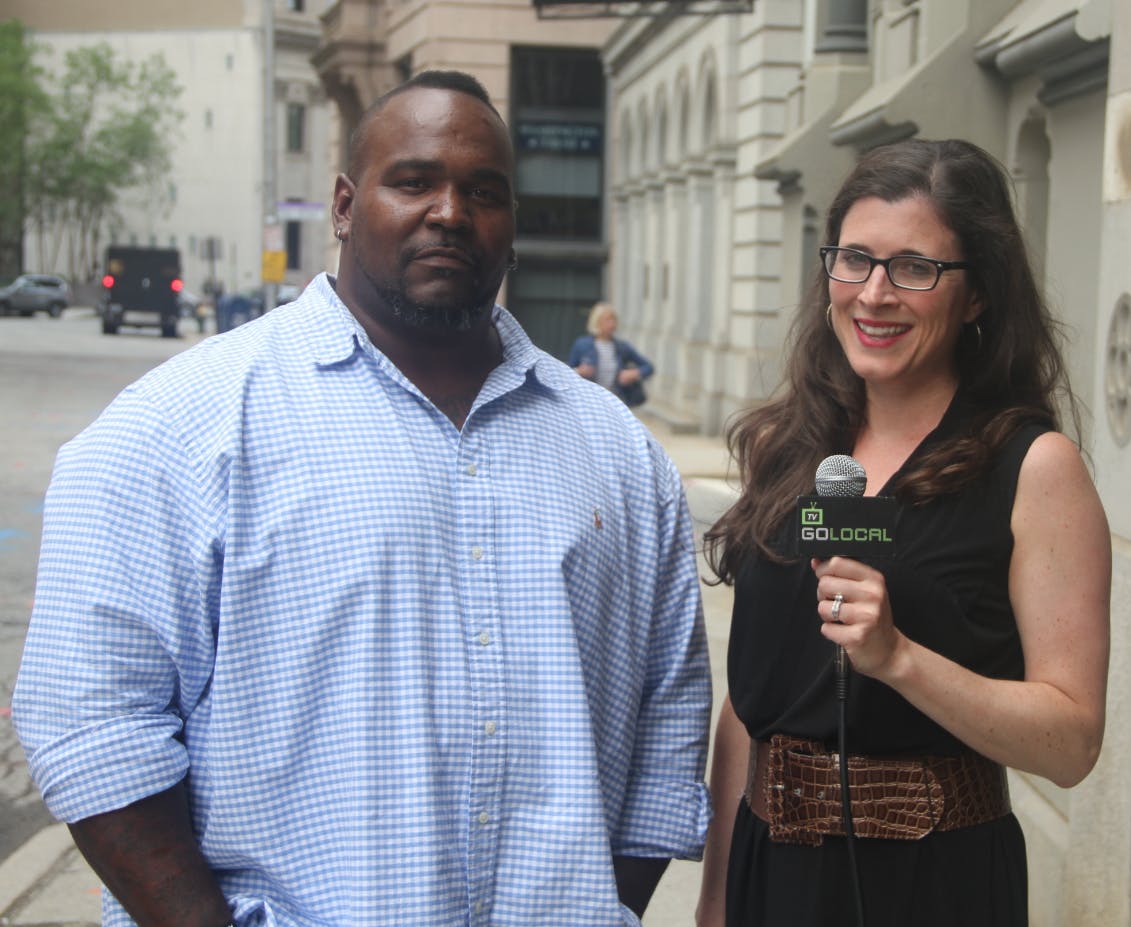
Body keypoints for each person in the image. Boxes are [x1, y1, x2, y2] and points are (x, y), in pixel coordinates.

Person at [14, 70, 712, 927]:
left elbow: (666, 727)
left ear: (511, 225)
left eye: (483, 192)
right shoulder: (177, 425)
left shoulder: (620, 453)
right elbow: (92, 722)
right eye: (413, 181)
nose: (450, 212)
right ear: (344, 206)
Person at [696, 138, 1110, 927]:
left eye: (914, 267)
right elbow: (749, 704)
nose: (873, 293)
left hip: (933, 882)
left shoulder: (1033, 468)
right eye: (854, 259)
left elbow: (1070, 743)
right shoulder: (786, 447)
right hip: (769, 873)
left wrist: (900, 659)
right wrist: (715, 899)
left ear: (977, 294)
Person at [567, 301, 654, 407]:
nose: (612, 323)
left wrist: (633, 373)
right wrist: (579, 371)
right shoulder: (582, 344)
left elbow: (649, 367)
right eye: (607, 320)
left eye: (614, 319)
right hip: (589, 401)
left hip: (615, 402)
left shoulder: (622, 347)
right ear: (597, 321)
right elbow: (567, 372)